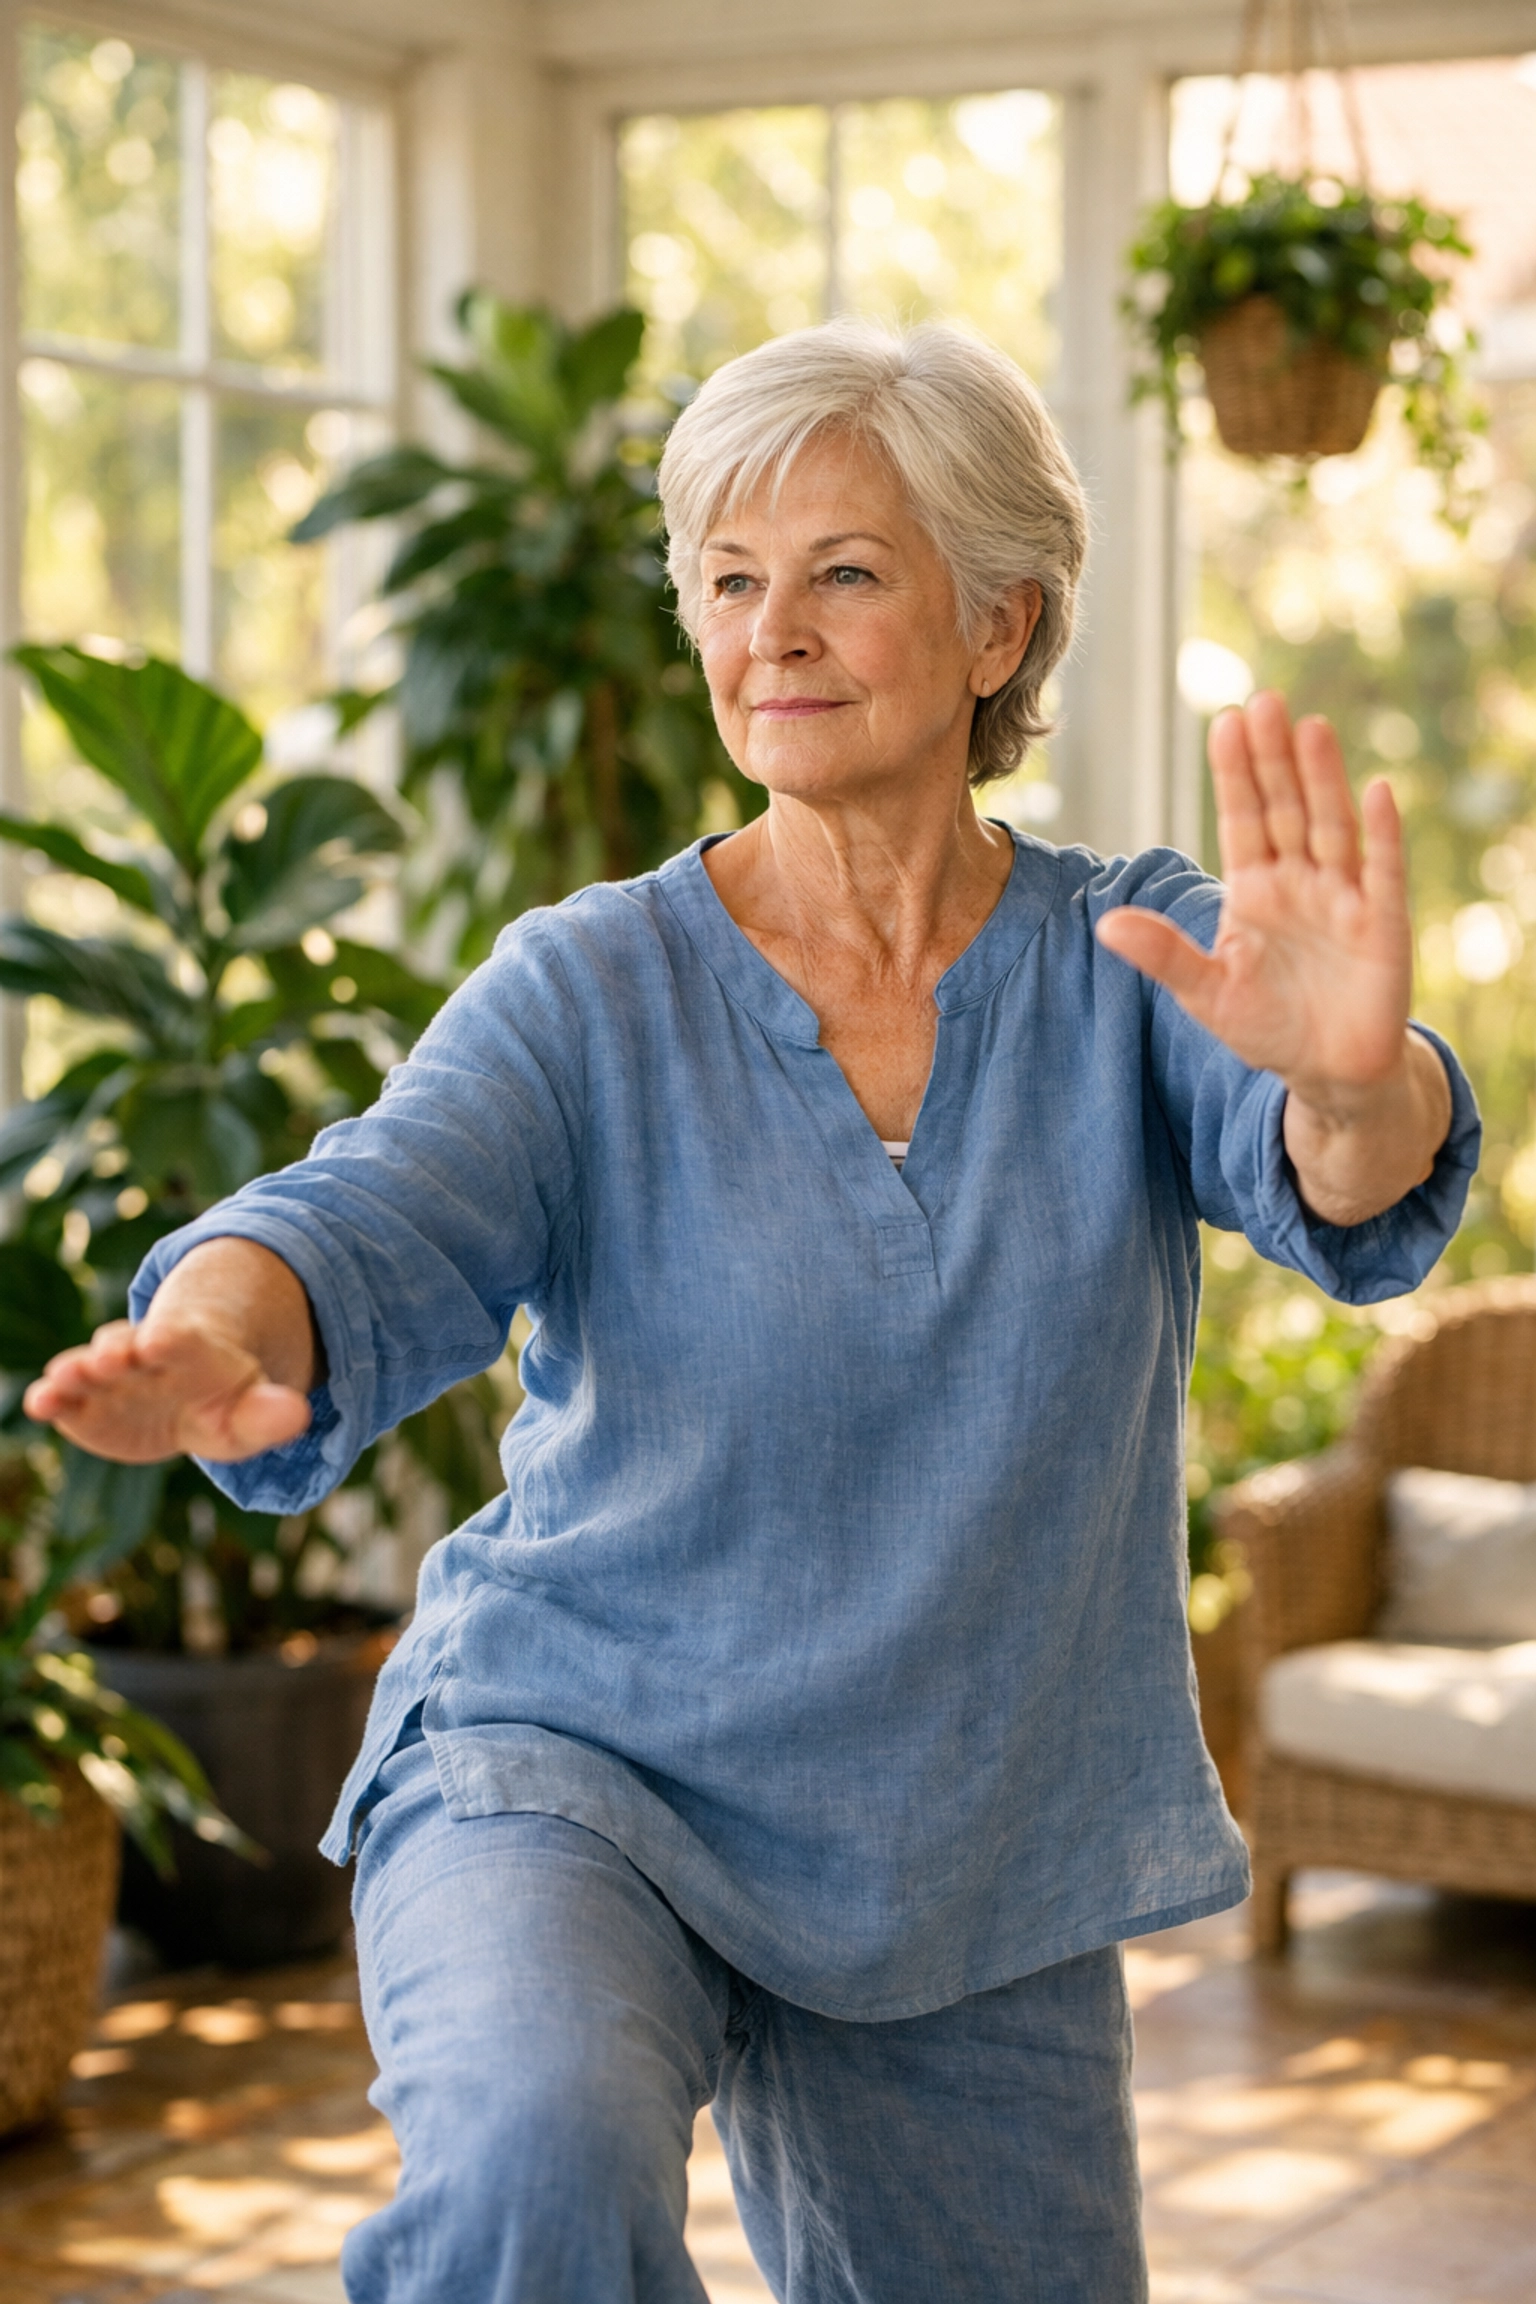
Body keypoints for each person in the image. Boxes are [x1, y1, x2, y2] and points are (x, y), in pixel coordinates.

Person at [29, 320, 1478, 2304]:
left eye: (844, 573)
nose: (768, 629)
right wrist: (222, 1324)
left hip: (959, 1840)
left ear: (1000, 627)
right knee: (532, 2174)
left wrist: (1347, 1074)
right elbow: (364, 1208)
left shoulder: (1133, 954)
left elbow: (1347, 1160)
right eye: (728, 579)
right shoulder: (590, 987)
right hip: (580, 1767)